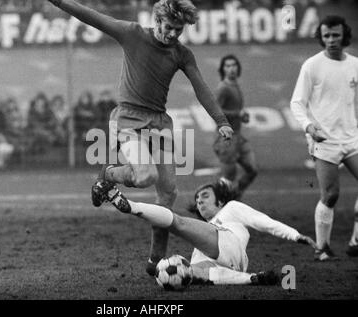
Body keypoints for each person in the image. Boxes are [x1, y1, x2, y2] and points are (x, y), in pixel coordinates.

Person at [47, 0, 234, 276]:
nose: (172, 34)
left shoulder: (182, 54)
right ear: (157, 20)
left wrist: (221, 121)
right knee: (145, 175)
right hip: (128, 119)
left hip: (159, 123)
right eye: (169, 27)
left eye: (178, 30)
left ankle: (155, 262)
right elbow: (91, 16)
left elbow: (201, 88)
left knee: (168, 193)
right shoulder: (132, 33)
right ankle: (108, 174)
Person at [103, 179, 317, 285]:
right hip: (233, 265)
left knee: (176, 223)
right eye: (197, 199)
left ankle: (128, 205)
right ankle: (251, 278)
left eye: (205, 195)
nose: (199, 200)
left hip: (228, 242)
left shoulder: (231, 208)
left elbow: (264, 222)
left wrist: (295, 235)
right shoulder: (204, 234)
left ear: (220, 200)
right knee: (191, 273)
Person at [290, 15, 358, 260]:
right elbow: (297, 103)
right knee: (330, 195)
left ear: (344, 35)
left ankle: (355, 240)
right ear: (321, 37)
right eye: (326, 35)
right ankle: (322, 247)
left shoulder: (355, 64)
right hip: (324, 140)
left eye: (335, 35)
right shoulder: (311, 65)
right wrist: (309, 127)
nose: (331, 40)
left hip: (352, 138)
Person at [213, 54, 257, 199]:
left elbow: (234, 111)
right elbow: (216, 111)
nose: (231, 69)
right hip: (226, 139)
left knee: (252, 171)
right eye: (228, 66)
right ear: (223, 69)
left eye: (234, 65)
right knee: (228, 177)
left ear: (238, 67)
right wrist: (237, 113)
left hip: (238, 136)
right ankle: (216, 204)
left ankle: (233, 197)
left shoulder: (234, 85)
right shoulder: (223, 88)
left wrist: (241, 116)